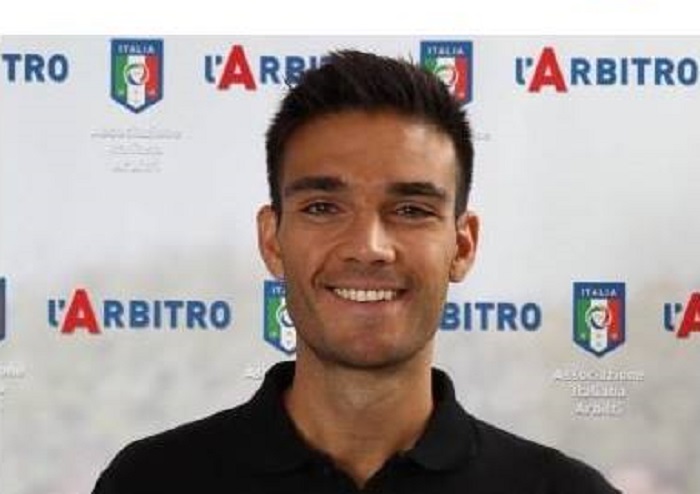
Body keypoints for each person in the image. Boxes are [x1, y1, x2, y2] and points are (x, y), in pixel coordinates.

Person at [92, 50, 621, 493]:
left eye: (411, 210)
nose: (369, 248)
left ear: (462, 246)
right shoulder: (150, 482)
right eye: (323, 207)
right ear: (272, 240)